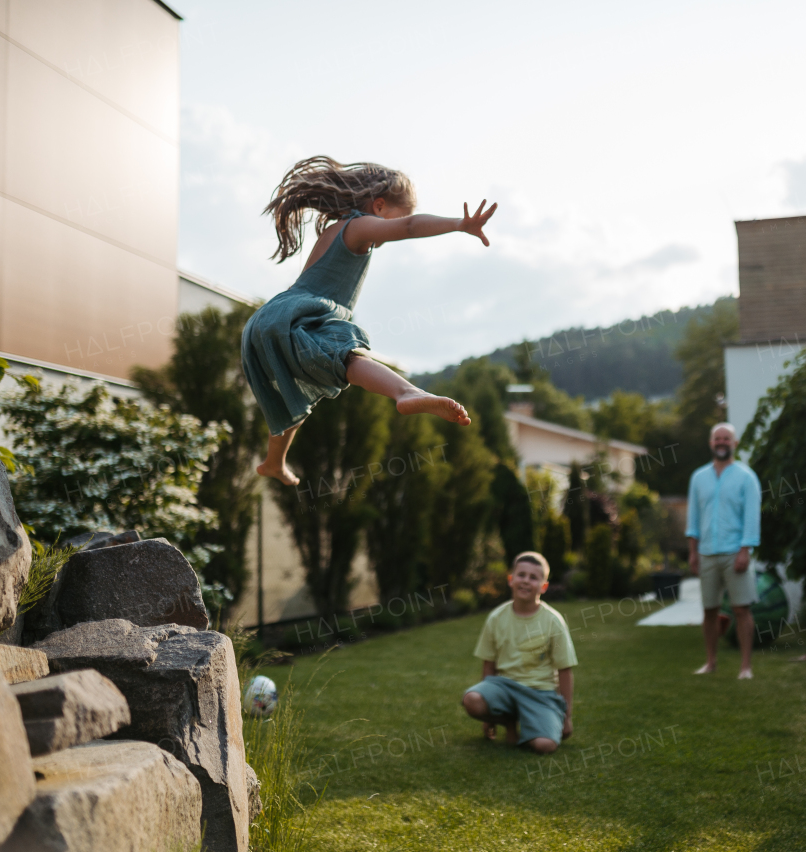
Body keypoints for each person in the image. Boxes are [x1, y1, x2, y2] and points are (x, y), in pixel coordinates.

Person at [242, 156, 497, 485]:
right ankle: (405, 392)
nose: (388, 230)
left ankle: (273, 462)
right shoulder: (358, 225)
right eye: (395, 215)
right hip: (299, 314)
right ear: (378, 206)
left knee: (299, 385)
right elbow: (408, 227)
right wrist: (458, 225)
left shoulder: (332, 232)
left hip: (269, 321)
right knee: (346, 355)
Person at [461, 552, 577, 754]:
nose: (526, 581)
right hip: (504, 687)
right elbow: (489, 664)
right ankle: (509, 723)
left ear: (543, 586)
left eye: (533, 577)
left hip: (541, 692)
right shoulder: (496, 618)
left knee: (545, 745)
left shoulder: (553, 621)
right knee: (471, 699)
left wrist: (567, 717)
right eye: (521, 575)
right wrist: (488, 718)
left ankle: (541, 719)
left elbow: (564, 670)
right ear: (510, 580)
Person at [686, 422, 761, 678]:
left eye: (726, 438)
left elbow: (752, 517)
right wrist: (693, 551)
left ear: (734, 443)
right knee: (709, 610)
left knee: (741, 609)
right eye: (717, 438)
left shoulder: (746, 477)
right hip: (707, 553)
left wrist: (745, 550)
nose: (721, 442)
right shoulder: (698, 477)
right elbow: (693, 518)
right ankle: (710, 662)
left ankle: (745, 666)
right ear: (710, 443)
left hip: (734, 553)